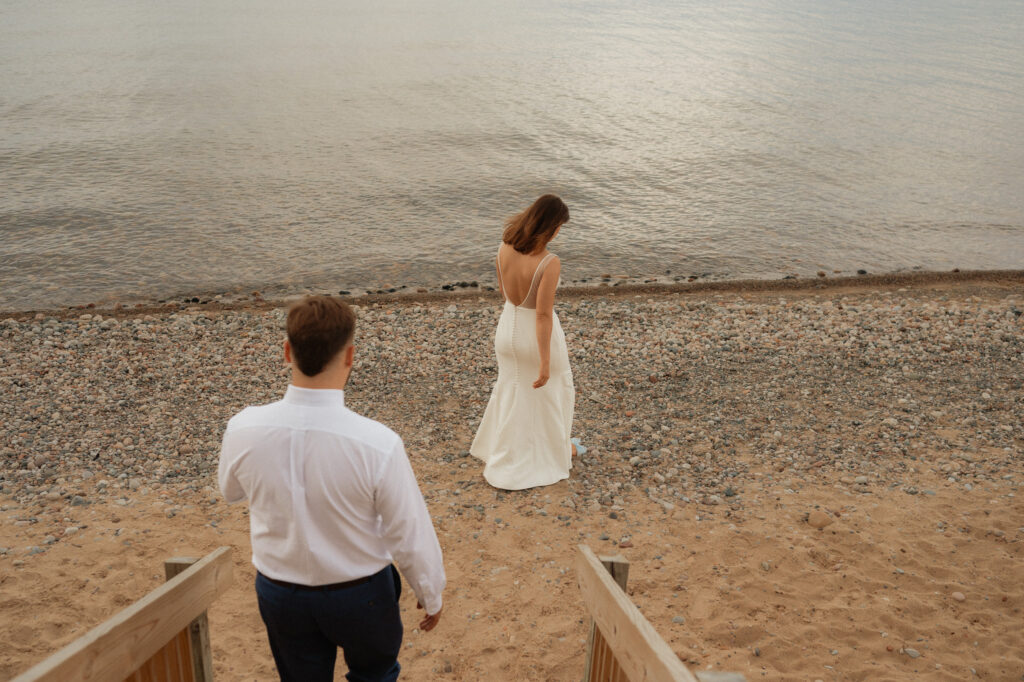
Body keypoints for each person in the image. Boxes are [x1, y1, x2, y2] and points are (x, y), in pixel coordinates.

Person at [218, 296, 445, 682]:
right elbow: (406, 530)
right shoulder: (377, 442)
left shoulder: (244, 428)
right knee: (375, 674)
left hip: (281, 589)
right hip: (360, 592)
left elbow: (230, 491)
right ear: (350, 356)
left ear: (287, 352)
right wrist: (430, 590)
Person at [470, 194, 585, 490]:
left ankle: (504, 449)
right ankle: (551, 452)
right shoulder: (549, 262)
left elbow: (504, 292)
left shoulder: (503, 247)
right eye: (559, 227)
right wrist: (545, 361)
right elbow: (544, 316)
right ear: (551, 227)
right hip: (534, 335)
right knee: (550, 392)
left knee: (512, 390)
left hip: (507, 327)